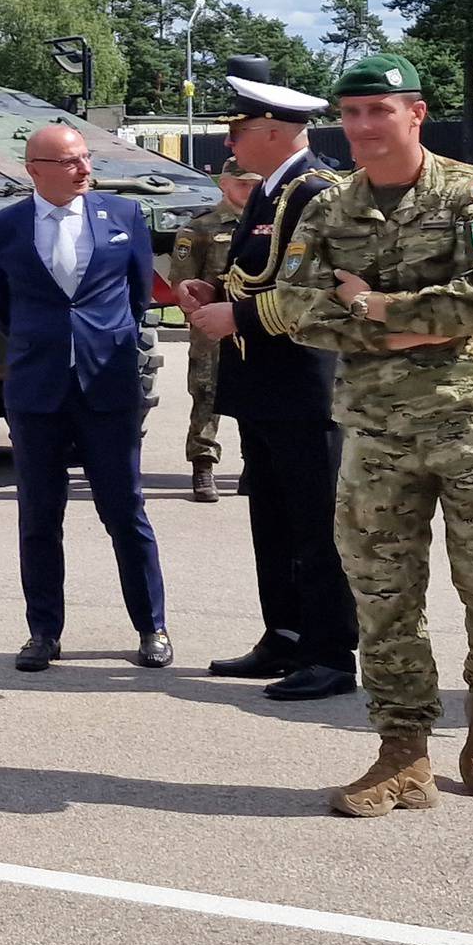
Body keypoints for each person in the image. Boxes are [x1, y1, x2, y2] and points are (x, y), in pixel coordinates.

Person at [276, 53, 473, 817]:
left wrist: (373, 310)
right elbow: (297, 311)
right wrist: (402, 325)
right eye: (351, 114)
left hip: (471, 425)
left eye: (378, 111)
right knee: (383, 599)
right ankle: (402, 755)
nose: (362, 127)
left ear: (414, 113)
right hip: (376, 433)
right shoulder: (329, 209)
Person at [181, 65, 358, 703]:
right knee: (273, 518)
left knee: (315, 522)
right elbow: (258, 271)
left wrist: (240, 312)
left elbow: (320, 290)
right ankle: (283, 635)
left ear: (276, 131)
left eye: (240, 130)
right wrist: (214, 290)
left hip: (303, 383)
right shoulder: (271, 190)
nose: (231, 143)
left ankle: (330, 652)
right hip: (262, 380)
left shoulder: (318, 191)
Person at [0, 123, 171, 671]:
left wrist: (102, 342)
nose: (85, 169)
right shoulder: (4, 227)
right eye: (70, 162)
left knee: (124, 510)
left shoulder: (124, 216)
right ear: (34, 169)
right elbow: (2, 308)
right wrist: (46, 344)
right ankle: (43, 632)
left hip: (106, 387)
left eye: (86, 158)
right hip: (36, 389)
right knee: (40, 515)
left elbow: (137, 298)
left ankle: (151, 626)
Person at [166, 158, 259, 502]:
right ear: (224, 184)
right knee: (207, 394)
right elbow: (182, 281)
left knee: (257, 396)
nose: (249, 191)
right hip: (212, 328)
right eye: (242, 184)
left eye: (254, 184)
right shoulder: (200, 229)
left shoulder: (268, 224)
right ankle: (203, 465)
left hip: (255, 324)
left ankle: (254, 466)